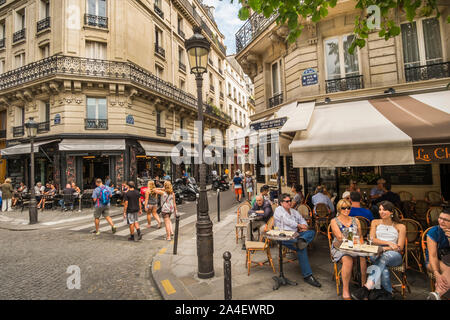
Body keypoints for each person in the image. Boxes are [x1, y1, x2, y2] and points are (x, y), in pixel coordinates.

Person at [351, 201, 406, 300]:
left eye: (384, 210)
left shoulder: (400, 226)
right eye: (380, 209)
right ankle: (388, 294)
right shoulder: (375, 222)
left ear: (391, 212)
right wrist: (389, 243)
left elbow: (400, 247)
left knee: (384, 256)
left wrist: (385, 248)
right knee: (383, 269)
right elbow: (372, 239)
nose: (381, 212)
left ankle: (367, 287)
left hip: (394, 255)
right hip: (376, 252)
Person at [274, 193, 321, 287]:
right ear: (281, 203)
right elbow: (288, 221)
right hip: (284, 237)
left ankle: (301, 241)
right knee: (302, 248)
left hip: (297, 236)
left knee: (311, 232)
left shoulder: (294, 211)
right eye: (287, 201)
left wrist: (305, 226)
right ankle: (308, 276)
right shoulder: (278, 210)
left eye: (290, 200)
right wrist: (299, 225)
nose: (289, 202)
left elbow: (302, 219)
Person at [330, 199, 367, 300]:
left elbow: (360, 237)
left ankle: (363, 289)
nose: (346, 210)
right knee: (348, 260)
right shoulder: (334, 221)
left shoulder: (356, 220)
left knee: (363, 260)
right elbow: (340, 237)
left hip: (355, 248)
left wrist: (361, 246)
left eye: (348, 208)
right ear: (339, 209)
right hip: (340, 248)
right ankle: (345, 290)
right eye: (343, 208)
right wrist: (353, 240)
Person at [426, 207, 450, 300]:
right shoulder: (434, 231)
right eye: (440, 218)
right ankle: (437, 294)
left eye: (446, 220)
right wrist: (436, 273)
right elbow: (433, 256)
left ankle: (436, 295)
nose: (441, 221)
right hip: (434, 261)